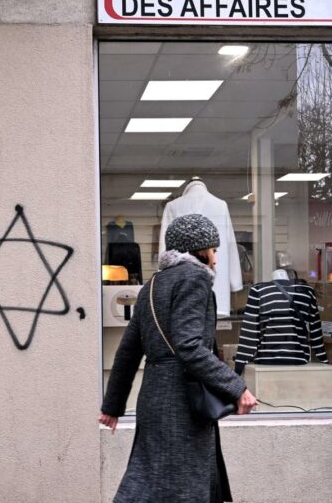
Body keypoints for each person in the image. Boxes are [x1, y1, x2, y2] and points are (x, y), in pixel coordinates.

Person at [99, 213, 258, 503]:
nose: (216, 259)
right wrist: (237, 387)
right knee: (181, 486)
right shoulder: (194, 279)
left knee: (151, 479)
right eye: (214, 250)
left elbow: (128, 351)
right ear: (199, 250)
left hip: (154, 398)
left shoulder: (153, 285)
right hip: (181, 400)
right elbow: (190, 347)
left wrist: (112, 405)